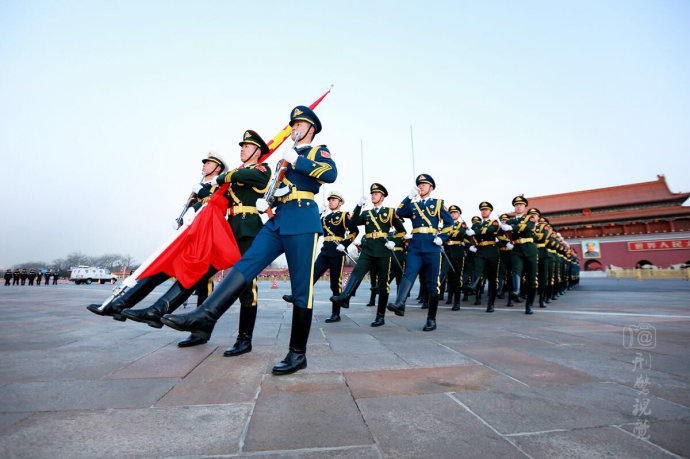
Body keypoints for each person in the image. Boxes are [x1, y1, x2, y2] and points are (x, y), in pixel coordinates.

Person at [161, 105, 336, 375]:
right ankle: (205, 316)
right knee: (246, 264)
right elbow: (275, 187)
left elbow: (329, 174)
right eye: (292, 125)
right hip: (278, 218)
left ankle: (297, 353)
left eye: (298, 125)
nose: (294, 129)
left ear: (310, 129)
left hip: (302, 219)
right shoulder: (283, 160)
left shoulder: (317, 151)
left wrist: (298, 160)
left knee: (302, 287)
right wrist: (269, 202)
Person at [126, 131, 272, 352]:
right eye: (241, 146)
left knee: (247, 287)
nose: (242, 149)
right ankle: (164, 314)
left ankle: (244, 339)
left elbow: (256, 179)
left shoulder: (261, 168)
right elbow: (215, 194)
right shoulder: (236, 173)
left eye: (247, 146)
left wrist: (226, 176)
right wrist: (197, 200)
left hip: (248, 230)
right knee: (198, 273)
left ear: (257, 151)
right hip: (228, 229)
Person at [87, 151, 228, 322]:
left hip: (200, 239)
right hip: (185, 236)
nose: (204, 165)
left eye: (208, 163)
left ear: (217, 168)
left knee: (194, 280)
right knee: (156, 270)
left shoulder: (219, 184)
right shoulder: (199, 186)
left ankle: (195, 326)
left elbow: (215, 203)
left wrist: (201, 193)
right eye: (204, 163)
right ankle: (120, 304)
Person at [330, 183, 406, 327]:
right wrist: (359, 206)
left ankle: (380, 316)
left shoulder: (389, 212)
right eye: (372, 194)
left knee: (383, 285)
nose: (373, 196)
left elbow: (402, 232)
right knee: (357, 271)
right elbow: (352, 223)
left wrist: (393, 241)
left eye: (376, 194)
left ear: (382, 197)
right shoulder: (366, 213)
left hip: (383, 251)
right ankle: (345, 297)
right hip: (368, 249)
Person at [387, 174, 453, 331]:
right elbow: (399, 213)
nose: (421, 186)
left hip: (432, 245)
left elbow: (450, 223)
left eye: (425, 184)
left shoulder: (438, 204)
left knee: (432, 284)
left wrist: (442, 237)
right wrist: (409, 197)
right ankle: (399, 303)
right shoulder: (413, 205)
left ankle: (431, 319)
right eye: (420, 184)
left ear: (431, 188)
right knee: (408, 273)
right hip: (416, 246)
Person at [282, 190, 358, 323]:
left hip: (337, 251)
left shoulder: (344, 215)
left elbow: (354, 231)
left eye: (333, 200)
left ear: (340, 203)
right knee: (311, 275)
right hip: (325, 251)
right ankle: (297, 295)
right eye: (329, 200)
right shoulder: (325, 218)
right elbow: (311, 227)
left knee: (335, 283)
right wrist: (317, 214)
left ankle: (336, 313)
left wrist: (345, 244)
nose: (330, 202)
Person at [501, 196, 538, 314]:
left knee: (531, 279)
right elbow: (505, 232)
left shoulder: (530, 218)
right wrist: (505, 234)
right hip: (516, 249)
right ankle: (516, 291)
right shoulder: (510, 220)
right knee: (516, 270)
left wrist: (512, 227)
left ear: (525, 207)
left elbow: (526, 226)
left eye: (521, 205)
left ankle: (529, 305)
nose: (518, 206)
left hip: (530, 248)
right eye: (516, 205)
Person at [468, 202, 501, 312]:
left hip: (492, 251)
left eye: (486, 210)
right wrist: (471, 243)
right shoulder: (476, 224)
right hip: (480, 251)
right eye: (482, 210)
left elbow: (490, 230)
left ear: (490, 211)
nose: (484, 211)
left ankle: (490, 303)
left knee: (492, 279)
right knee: (478, 268)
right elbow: (471, 236)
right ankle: (473, 285)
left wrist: (475, 232)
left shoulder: (494, 222)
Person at [441, 205, 467, 311]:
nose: (453, 214)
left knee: (457, 278)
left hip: (457, 253)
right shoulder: (446, 225)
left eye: (455, 213)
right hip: (447, 252)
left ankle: (457, 302)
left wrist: (446, 233)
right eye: (451, 213)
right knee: (445, 275)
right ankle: (449, 298)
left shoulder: (462, 224)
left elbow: (459, 233)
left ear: (459, 214)